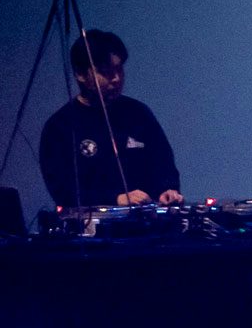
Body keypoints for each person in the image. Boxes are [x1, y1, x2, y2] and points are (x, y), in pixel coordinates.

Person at [38, 29, 182, 208]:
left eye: (119, 69)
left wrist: (167, 190)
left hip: (147, 222)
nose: (116, 78)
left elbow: (163, 163)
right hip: (93, 229)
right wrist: (115, 198)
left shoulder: (139, 114)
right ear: (80, 74)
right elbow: (63, 189)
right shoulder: (61, 126)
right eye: (106, 72)